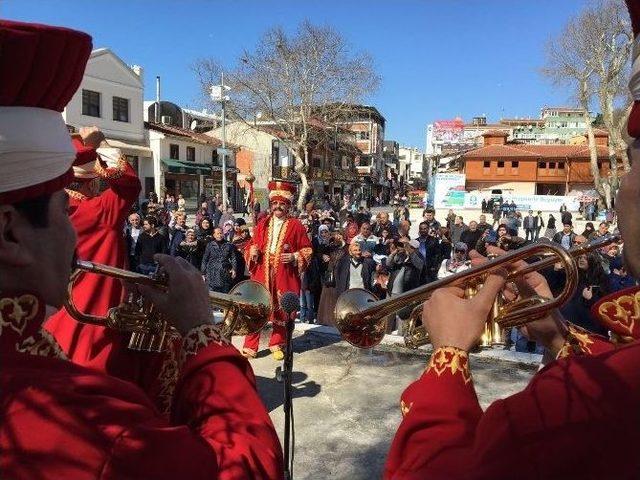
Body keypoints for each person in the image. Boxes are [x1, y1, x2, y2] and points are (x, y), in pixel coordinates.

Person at [0, 19, 282, 479]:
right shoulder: (96, 428)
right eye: (59, 208)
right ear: (10, 232)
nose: (70, 227)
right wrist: (199, 333)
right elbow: (246, 468)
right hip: (92, 323)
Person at [385, 2, 640, 471]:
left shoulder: (555, 415)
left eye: (631, 160)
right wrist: (560, 339)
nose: (622, 183)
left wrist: (448, 355)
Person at [242, 181, 312, 360]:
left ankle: (277, 343)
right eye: (275, 203)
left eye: (282, 203)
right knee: (257, 307)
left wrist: (295, 256)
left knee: (282, 308)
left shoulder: (296, 225)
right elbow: (251, 245)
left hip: (284, 272)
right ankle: (251, 345)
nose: (278, 207)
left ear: (288, 205)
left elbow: (307, 249)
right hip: (262, 271)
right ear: (271, 205)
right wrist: (253, 251)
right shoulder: (262, 224)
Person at [317, 230, 348, 326]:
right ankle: (325, 320)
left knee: (338, 296)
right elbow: (319, 251)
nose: (337, 236)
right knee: (328, 296)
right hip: (330, 274)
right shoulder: (331, 246)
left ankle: (337, 321)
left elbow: (347, 252)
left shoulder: (346, 247)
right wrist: (323, 256)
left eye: (339, 234)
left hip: (341, 274)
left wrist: (342, 242)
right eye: (335, 235)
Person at [201, 227, 238, 294]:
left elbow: (233, 258)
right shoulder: (210, 245)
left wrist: (234, 269)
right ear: (214, 235)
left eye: (221, 233)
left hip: (224, 272)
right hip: (212, 273)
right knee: (212, 295)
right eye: (217, 234)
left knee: (224, 294)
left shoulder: (229, 245)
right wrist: (203, 273)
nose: (219, 235)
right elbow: (205, 259)